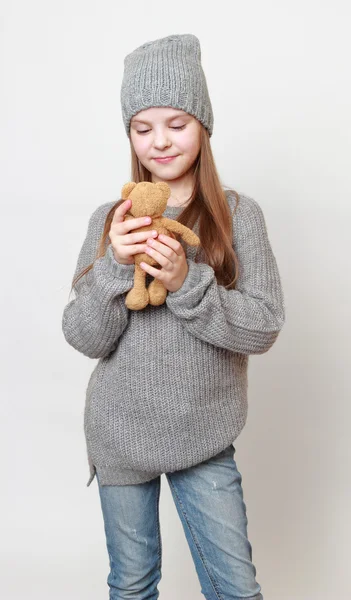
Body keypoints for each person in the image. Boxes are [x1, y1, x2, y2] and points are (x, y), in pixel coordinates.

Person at [62, 33, 285, 600]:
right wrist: (115, 265)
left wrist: (188, 283)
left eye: (177, 123)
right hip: (119, 433)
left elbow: (262, 325)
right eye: (143, 128)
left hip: (203, 433)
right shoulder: (109, 220)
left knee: (234, 587)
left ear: (203, 126)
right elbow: (84, 336)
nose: (159, 141)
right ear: (130, 135)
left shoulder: (238, 215)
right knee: (132, 585)